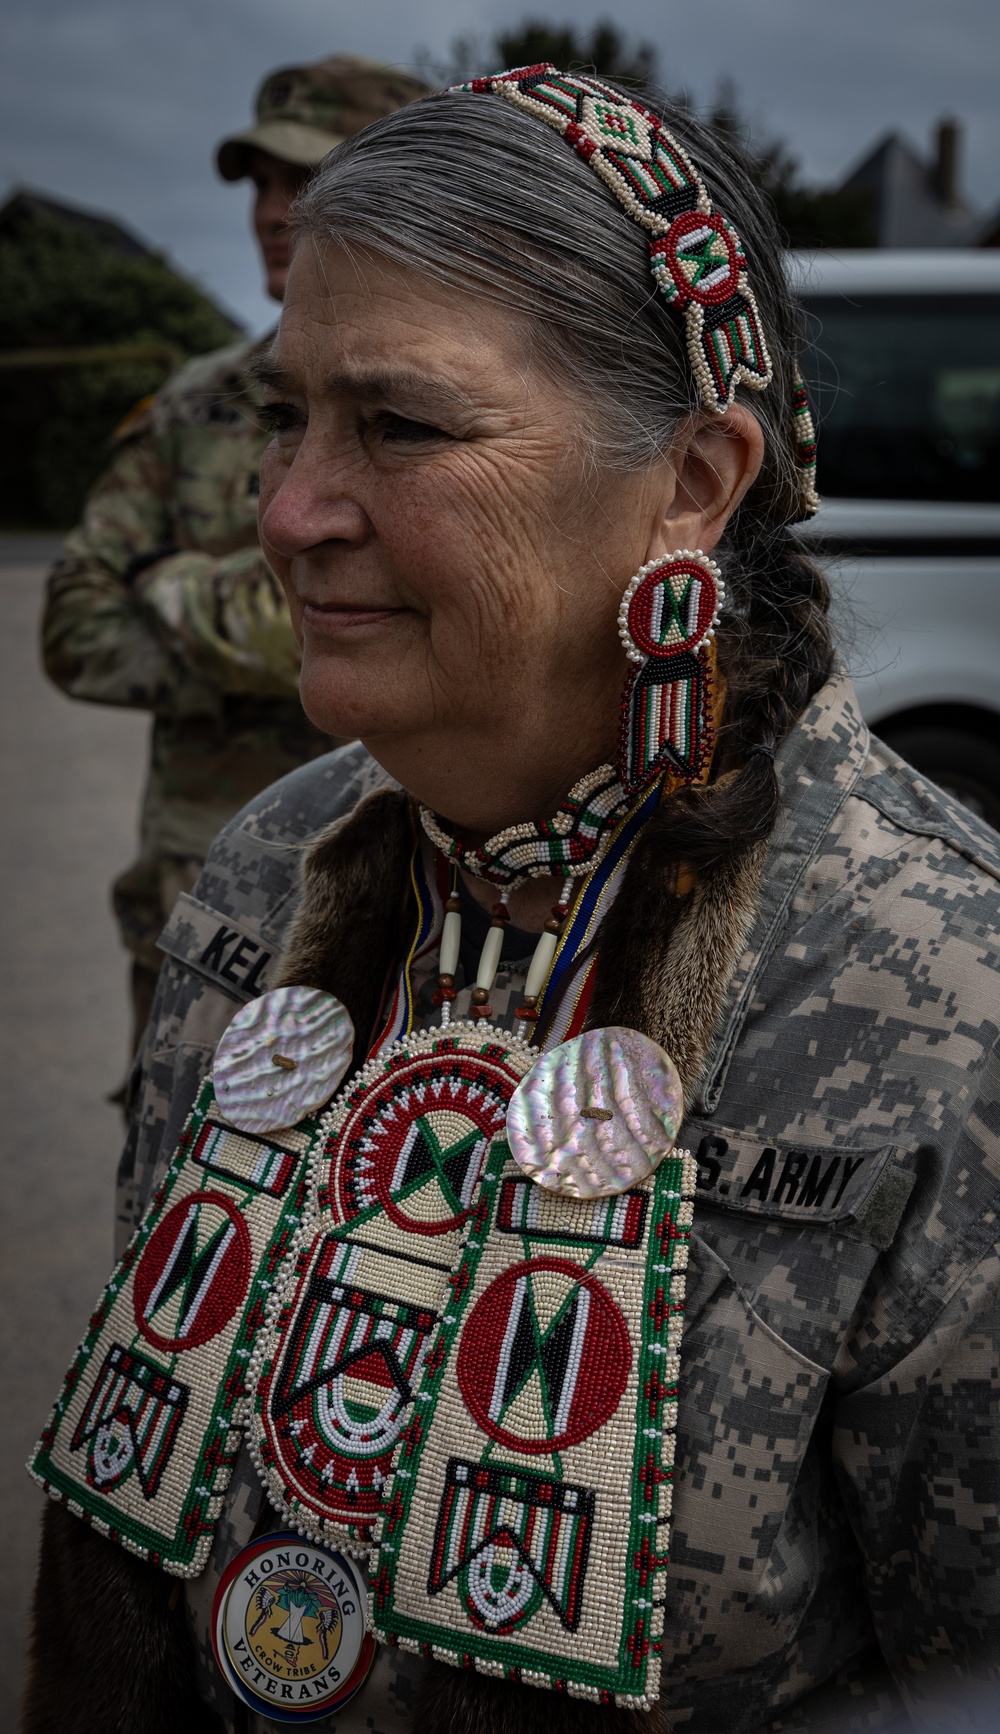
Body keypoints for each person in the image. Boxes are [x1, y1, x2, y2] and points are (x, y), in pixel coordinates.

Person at [25, 66, 1000, 1734]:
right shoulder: (272, 858)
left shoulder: (939, 990)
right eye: (287, 415)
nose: (287, 513)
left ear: (693, 481)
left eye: (400, 425)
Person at [40, 55, 429, 1059]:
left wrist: (173, 589)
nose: (268, 210)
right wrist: (337, 628)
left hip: (417, 899)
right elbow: (75, 630)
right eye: (258, 183)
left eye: (303, 181)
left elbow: (454, 605)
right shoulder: (195, 402)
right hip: (208, 903)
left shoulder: (454, 408)